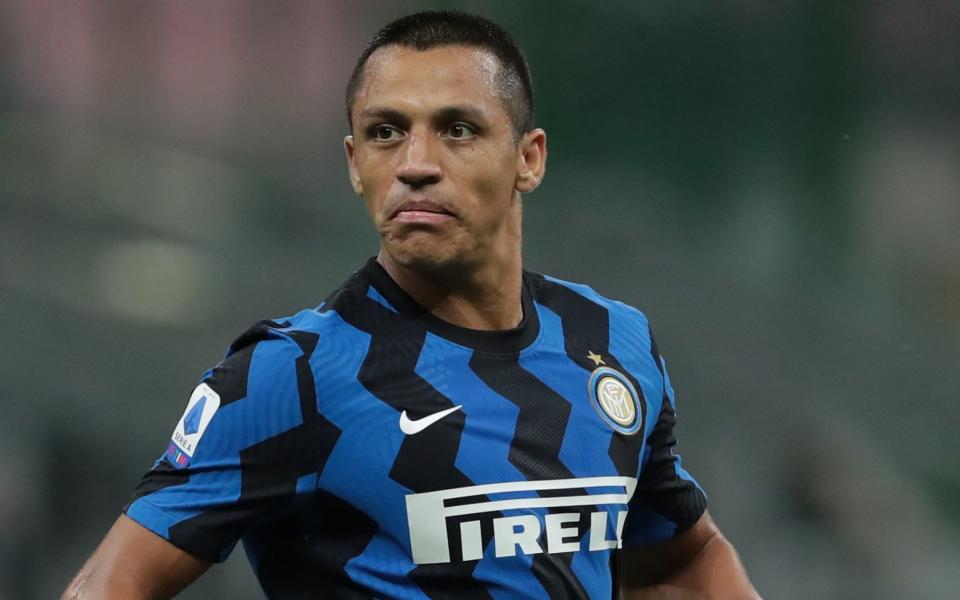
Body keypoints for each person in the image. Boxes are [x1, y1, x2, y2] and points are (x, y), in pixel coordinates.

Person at [64, 11, 759, 600]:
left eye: (457, 129)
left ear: (529, 158)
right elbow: (108, 586)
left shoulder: (613, 341)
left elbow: (682, 563)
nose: (415, 162)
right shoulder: (294, 377)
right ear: (352, 162)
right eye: (385, 131)